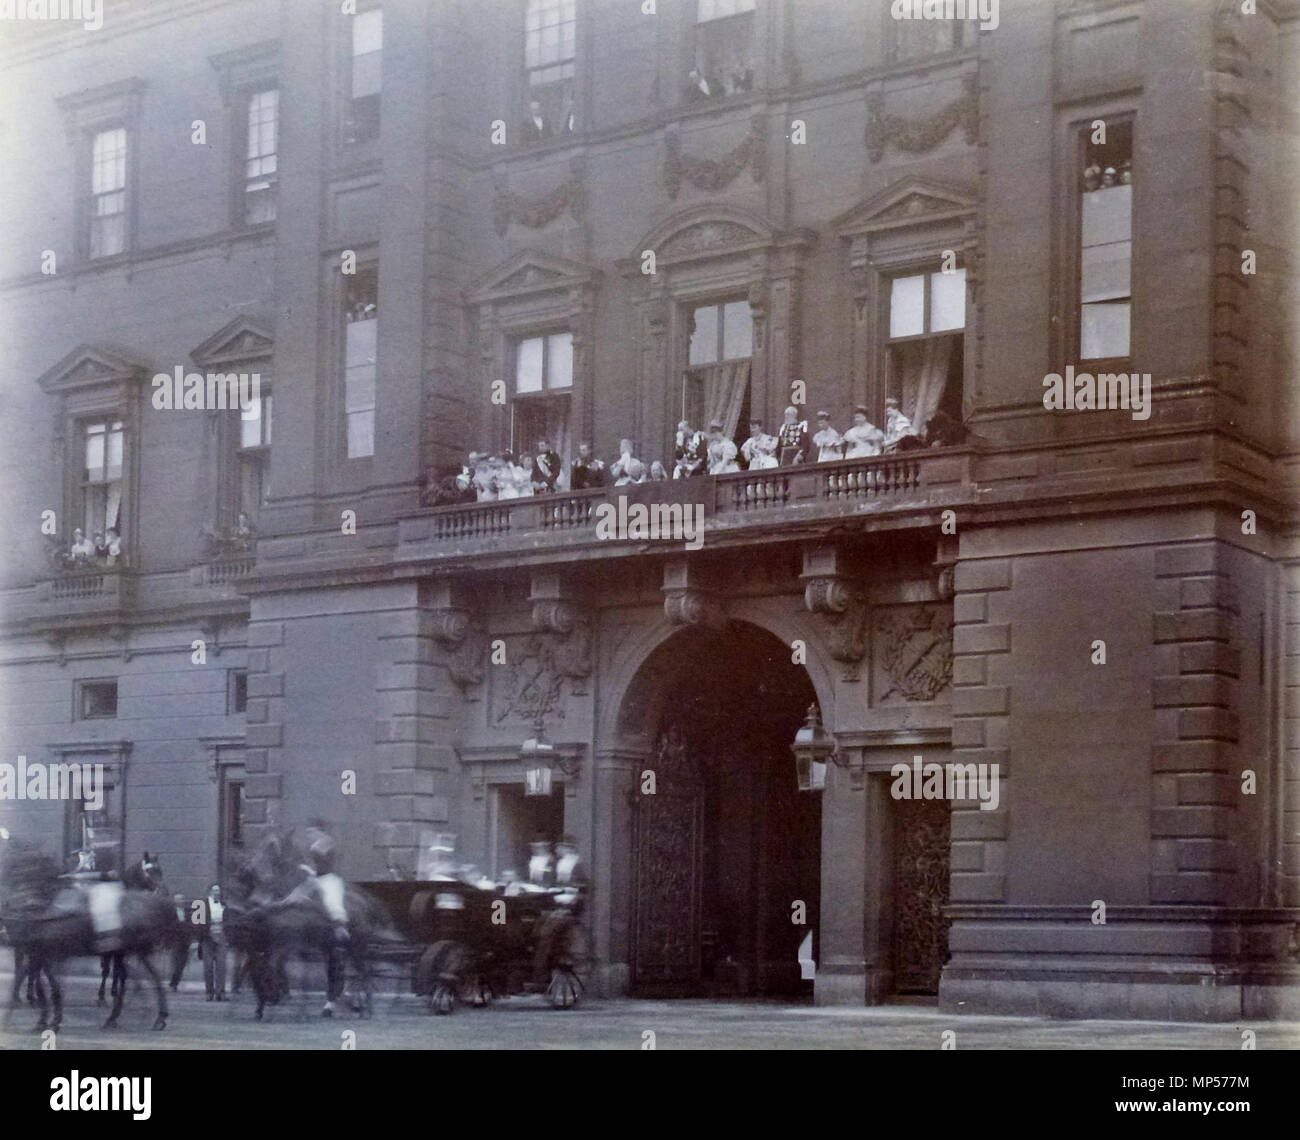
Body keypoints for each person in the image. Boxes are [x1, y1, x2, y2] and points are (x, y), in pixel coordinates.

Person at [199, 883, 227, 1001]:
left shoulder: (225, 904)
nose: (217, 893)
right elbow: (196, 924)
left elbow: (229, 921)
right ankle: (209, 992)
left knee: (221, 966)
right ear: (210, 891)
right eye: (214, 890)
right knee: (208, 967)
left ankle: (220, 992)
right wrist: (199, 940)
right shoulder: (201, 904)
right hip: (207, 939)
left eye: (218, 891)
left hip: (221, 937)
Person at [169, 892, 191, 991]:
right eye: (178, 899)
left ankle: (175, 982)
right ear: (174, 901)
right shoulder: (170, 912)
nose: (180, 901)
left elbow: (191, 926)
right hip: (175, 941)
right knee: (176, 964)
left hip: (186, 941)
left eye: (182, 899)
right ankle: (174, 984)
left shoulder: (188, 912)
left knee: (182, 963)